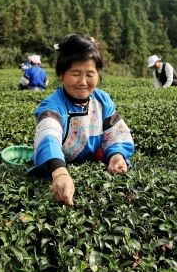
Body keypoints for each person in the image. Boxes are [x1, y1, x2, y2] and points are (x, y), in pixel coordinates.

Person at [29, 34, 135, 205]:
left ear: (98, 75)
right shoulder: (52, 106)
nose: (83, 82)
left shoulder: (102, 100)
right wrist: (60, 173)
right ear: (62, 75)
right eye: (75, 73)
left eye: (90, 74)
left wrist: (116, 155)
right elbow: (48, 136)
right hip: (58, 164)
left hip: (94, 158)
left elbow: (115, 132)